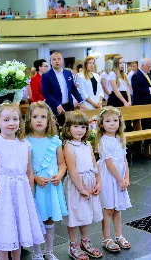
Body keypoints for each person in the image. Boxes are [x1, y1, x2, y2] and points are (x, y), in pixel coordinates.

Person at [0, 102, 45, 260]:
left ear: (20, 122)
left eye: (15, 119)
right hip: (3, 195)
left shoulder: (25, 144)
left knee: (18, 231)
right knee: (4, 231)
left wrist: (30, 194)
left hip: (21, 193)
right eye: (6, 120)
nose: (11, 123)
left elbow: (29, 172)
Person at [25, 102, 67, 260]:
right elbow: (25, 167)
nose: (39, 120)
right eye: (35, 117)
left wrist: (60, 175)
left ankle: (49, 251)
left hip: (51, 186)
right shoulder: (26, 141)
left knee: (49, 218)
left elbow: (62, 163)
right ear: (29, 119)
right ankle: (36, 253)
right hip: (36, 186)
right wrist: (35, 178)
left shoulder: (55, 140)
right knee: (36, 218)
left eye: (43, 117)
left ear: (49, 120)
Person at [62, 111, 103, 260]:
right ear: (68, 128)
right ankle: (73, 245)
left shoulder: (87, 145)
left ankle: (85, 242)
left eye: (83, 127)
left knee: (85, 215)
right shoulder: (68, 145)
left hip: (89, 181)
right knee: (75, 215)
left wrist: (98, 181)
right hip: (76, 184)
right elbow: (72, 170)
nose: (80, 130)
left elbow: (94, 164)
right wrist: (81, 189)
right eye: (76, 126)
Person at [96, 106, 132, 253]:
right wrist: (119, 179)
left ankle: (119, 235)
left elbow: (124, 160)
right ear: (101, 124)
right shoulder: (104, 141)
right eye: (108, 121)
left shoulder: (119, 139)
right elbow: (109, 163)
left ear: (120, 122)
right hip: (109, 177)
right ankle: (106, 238)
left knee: (118, 209)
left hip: (120, 178)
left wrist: (126, 177)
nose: (112, 123)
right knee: (108, 208)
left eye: (115, 120)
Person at [41, 52, 87, 127]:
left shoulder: (68, 73)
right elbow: (46, 93)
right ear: (51, 62)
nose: (57, 61)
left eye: (59, 59)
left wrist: (81, 101)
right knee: (56, 129)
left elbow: (73, 89)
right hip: (54, 107)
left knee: (69, 128)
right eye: (54, 59)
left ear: (62, 61)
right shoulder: (46, 75)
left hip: (68, 106)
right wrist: (57, 105)